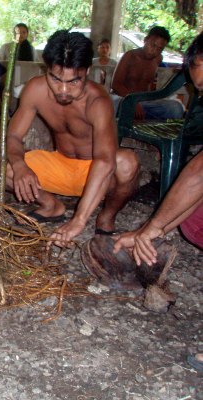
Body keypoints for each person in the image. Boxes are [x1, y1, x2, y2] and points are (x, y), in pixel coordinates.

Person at [0, 30, 139, 247]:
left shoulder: (98, 101)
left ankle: (106, 216)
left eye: (74, 81)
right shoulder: (36, 90)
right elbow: (13, 135)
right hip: (61, 164)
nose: (63, 90)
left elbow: (105, 161)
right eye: (56, 79)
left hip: (96, 174)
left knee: (127, 162)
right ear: (46, 69)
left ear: (86, 71)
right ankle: (51, 205)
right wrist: (20, 166)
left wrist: (79, 220)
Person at [114, 31, 203, 373]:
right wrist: (150, 230)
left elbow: (198, 173)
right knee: (193, 221)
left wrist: (150, 229)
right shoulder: (133, 59)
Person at [111, 26, 184, 120]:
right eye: (153, 45)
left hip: (144, 102)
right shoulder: (130, 56)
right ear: (145, 40)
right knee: (124, 107)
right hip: (123, 100)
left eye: (159, 49)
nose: (154, 51)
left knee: (175, 108)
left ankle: (144, 119)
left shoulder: (158, 59)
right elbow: (115, 84)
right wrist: (133, 101)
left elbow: (149, 84)